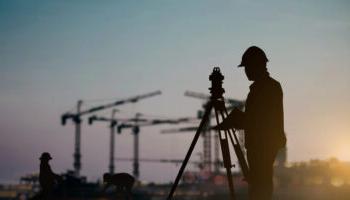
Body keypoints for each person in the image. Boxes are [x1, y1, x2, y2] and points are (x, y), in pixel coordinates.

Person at [216, 46, 286, 200]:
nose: (246, 71)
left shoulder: (266, 88)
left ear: (257, 65)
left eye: (247, 67)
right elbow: (256, 119)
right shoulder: (265, 87)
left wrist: (236, 119)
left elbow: (259, 121)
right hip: (260, 147)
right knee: (258, 186)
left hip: (263, 147)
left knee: (260, 189)